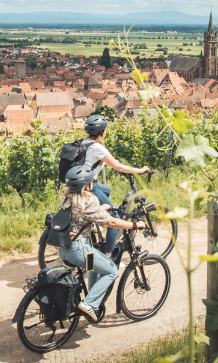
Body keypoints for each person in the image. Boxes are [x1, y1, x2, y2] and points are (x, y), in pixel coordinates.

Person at [60, 165, 146, 322]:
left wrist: (100, 209)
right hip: (78, 249)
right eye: (91, 180)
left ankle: (93, 300)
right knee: (112, 270)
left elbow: (82, 214)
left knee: (93, 267)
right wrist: (135, 225)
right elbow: (112, 222)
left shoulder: (67, 199)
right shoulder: (88, 201)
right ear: (86, 185)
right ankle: (90, 304)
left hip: (64, 248)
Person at [81, 114, 150, 257]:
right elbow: (119, 168)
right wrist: (140, 170)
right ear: (102, 131)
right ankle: (109, 256)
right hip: (89, 187)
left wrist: (110, 161)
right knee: (115, 215)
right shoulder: (97, 147)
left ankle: (96, 219)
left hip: (81, 183)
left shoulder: (83, 142)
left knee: (106, 190)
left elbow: (90, 162)